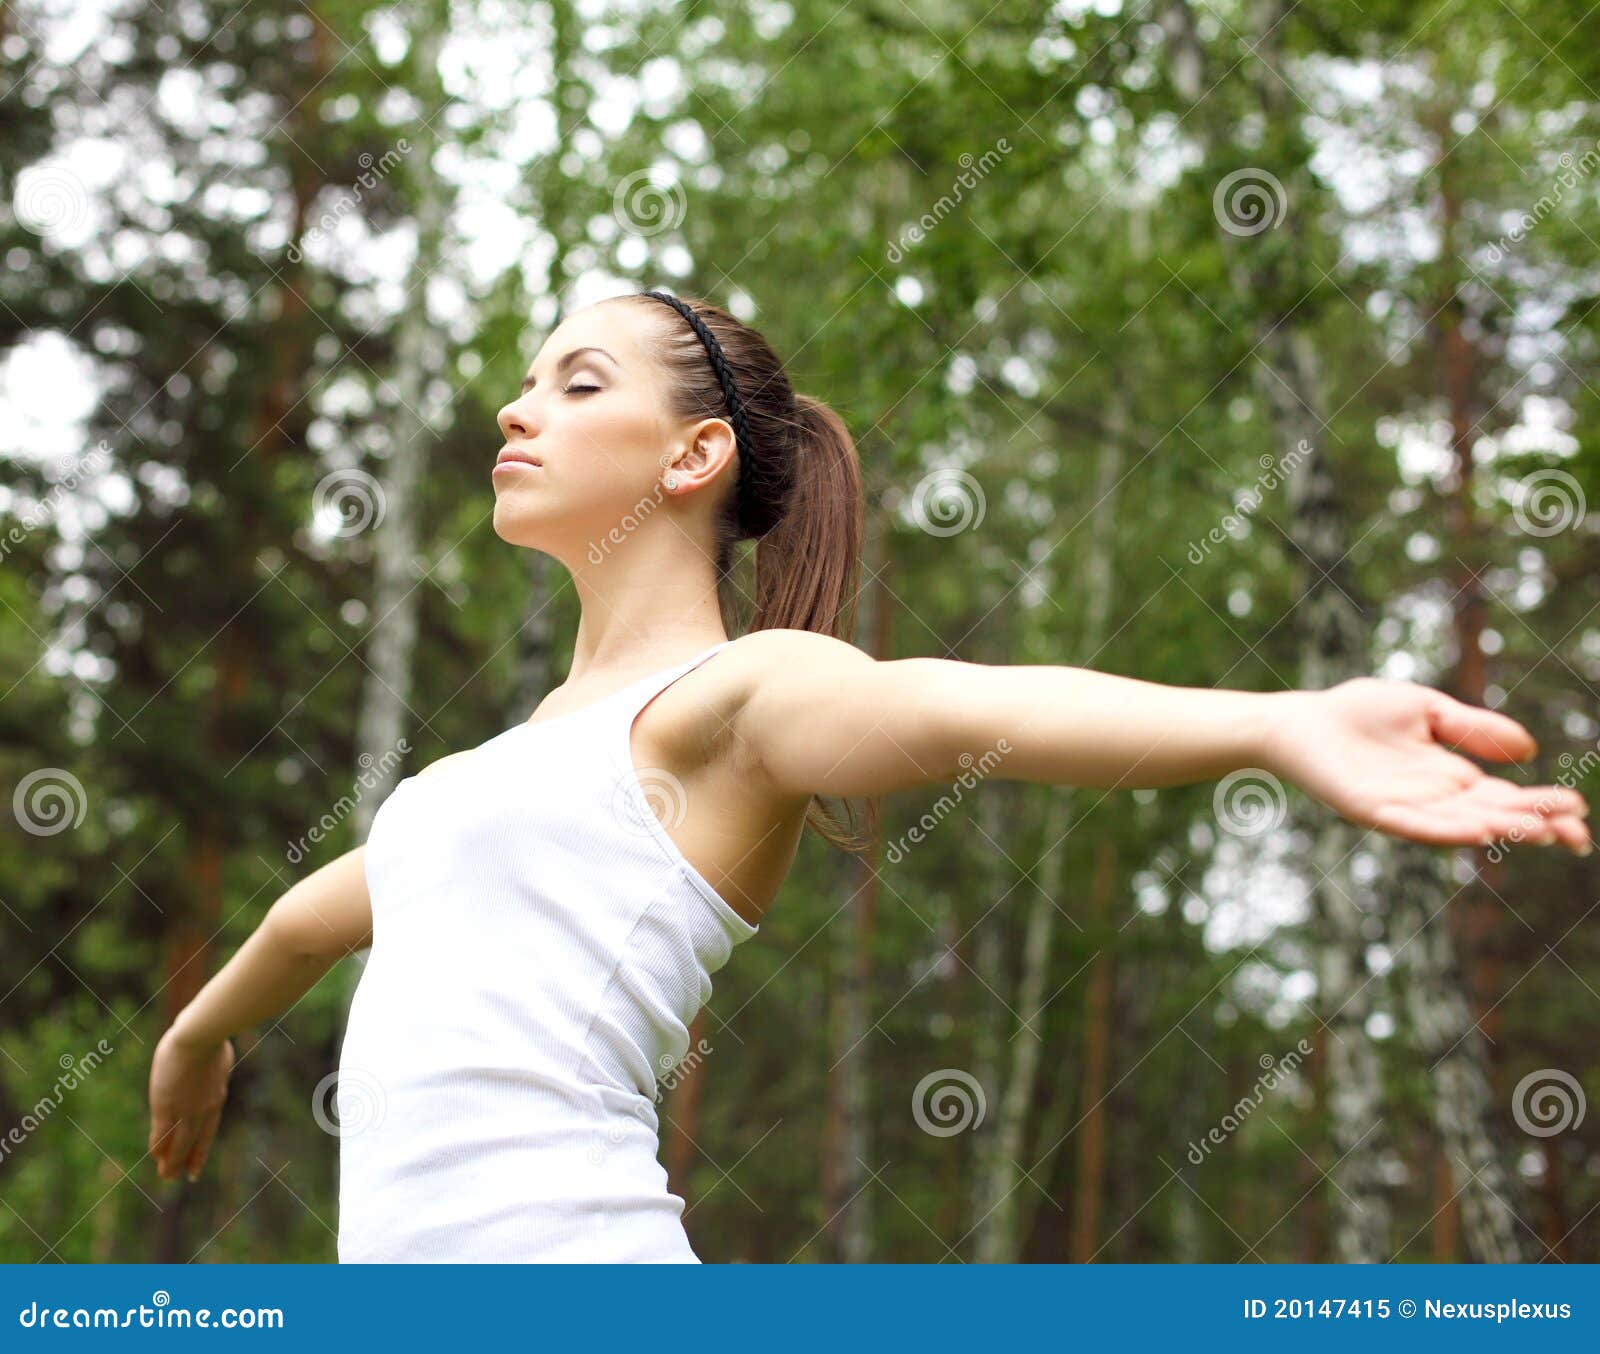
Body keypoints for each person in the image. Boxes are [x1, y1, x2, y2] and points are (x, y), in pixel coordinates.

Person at [147, 290, 1593, 1262]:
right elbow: (310, 920)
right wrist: (198, 1036)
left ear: (694, 455)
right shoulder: (494, 776)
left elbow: (961, 709)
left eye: (577, 384)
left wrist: (1275, 723)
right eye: (526, 384)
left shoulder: (732, 701)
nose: (519, 412)